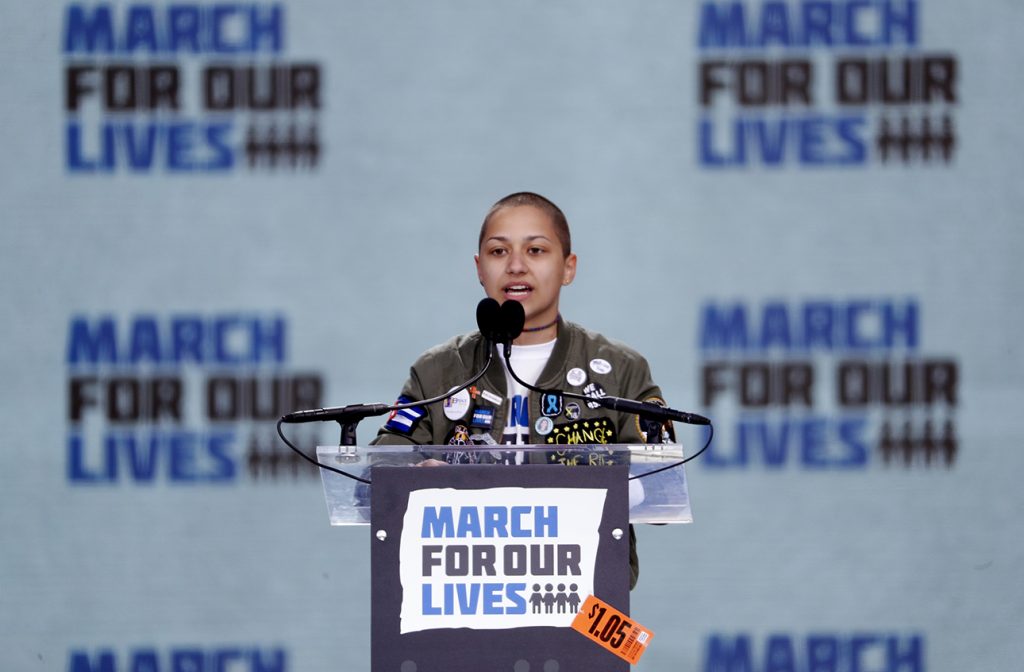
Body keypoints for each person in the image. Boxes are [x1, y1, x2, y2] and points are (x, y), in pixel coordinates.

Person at [373, 191, 674, 588]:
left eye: (535, 250)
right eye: (499, 253)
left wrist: (570, 491)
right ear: (479, 269)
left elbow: (661, 488)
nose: (516, 266)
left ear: (568, 268)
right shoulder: (440, 369)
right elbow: (378, 469)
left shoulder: (620, 368)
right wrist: (422, 477)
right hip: (463, 596)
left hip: (586, 597)